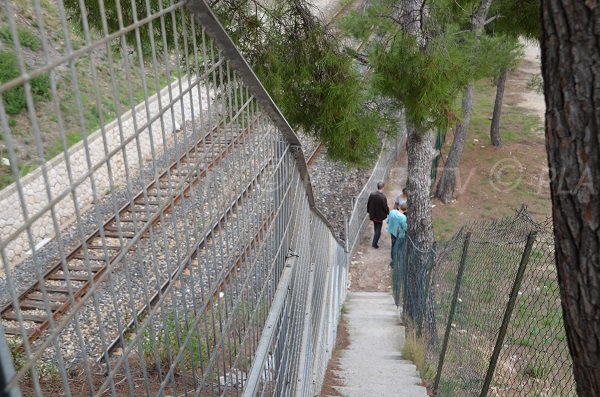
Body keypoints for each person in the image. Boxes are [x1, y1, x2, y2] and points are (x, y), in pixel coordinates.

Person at [367, 181, 389, 249]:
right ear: (382, 187)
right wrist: (388, 212)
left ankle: (375, 237)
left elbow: (368, 203)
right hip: (379, 216)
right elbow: (385, 207)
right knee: (378, 229)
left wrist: (368, 211)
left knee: (376, 226)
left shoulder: (372, 194)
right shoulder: (382, 197)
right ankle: (374, 243)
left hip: (373, 215)